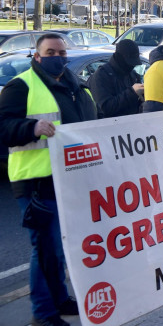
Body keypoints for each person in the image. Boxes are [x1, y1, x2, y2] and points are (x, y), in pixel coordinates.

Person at [0, 34, 99, 326]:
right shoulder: (21, 87)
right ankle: (43, 315)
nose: (57, 56)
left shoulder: (77, 87)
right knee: (45, 248)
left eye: (62, 51)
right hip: (35, 182)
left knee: (60, 247)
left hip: (69, 181)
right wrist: (31, 128)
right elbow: (3, 128)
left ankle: (59, 298)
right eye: (50, 51)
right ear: (38, 56)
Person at [88, 39, 144, 118]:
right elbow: (105, 109)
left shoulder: (132, 75)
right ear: (119, 58)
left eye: (134, 63)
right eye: (130, 63)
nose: (132, 66)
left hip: (132, 124)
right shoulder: (101, 76)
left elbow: (137, 106)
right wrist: (132, 92)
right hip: (110, 126)